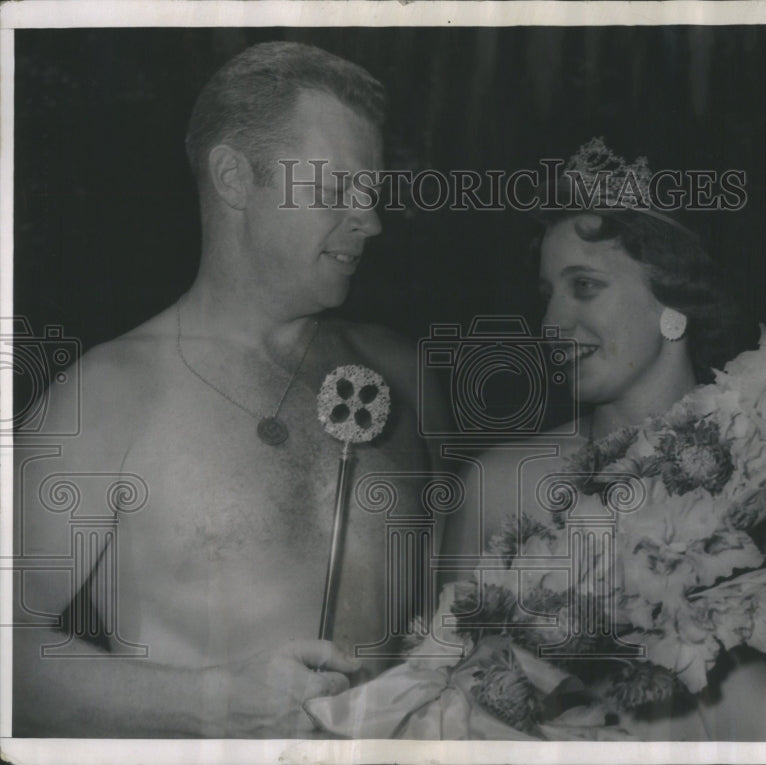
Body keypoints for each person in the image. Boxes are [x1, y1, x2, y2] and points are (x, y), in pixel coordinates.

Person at [14, 41, 446, 738]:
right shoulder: (104, 399)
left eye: (371, 193)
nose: (371, 220)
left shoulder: (401, 373)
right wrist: (211, 699)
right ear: (234, 177)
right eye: (336, 189)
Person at [443, 154, 766, 741]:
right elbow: (442, 721)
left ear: (673, 299)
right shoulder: (495, 485)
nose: (551, 322)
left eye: (584, 286)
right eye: (547, 292)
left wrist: (682, 604)